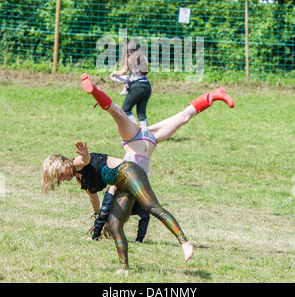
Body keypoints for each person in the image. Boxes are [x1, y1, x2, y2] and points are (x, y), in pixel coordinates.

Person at [81, 73, 234, 241]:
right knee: (184, 116)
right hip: (151, 138)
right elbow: (145, 213)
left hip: (132, 139)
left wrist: (95, 233)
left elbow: (105, 207)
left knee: (118, 113)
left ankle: (94, 90)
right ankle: (215, 94)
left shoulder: (119, 184)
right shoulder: (135, 191)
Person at [41, 141, 194, 273]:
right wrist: (97, 216)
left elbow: (85, 159)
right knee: (114, 225)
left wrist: (85, 153)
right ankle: (124, 269)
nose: (63, 177)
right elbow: (92, 197)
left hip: (129, 172)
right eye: (60, 178)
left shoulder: (77, 163)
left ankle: (184, 242)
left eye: (62, 173)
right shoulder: (80, 179)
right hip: (121, 185)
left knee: (151, 207)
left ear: (66, 163)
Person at [109, 41, 151, 127]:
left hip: (137, 87)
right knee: (141, 113)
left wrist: (113, 73)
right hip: (147, 86)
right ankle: (145, 131)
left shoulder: (131, 58)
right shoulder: (143, 58)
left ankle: (134, 129)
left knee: (125, 109)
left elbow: (122, 72)